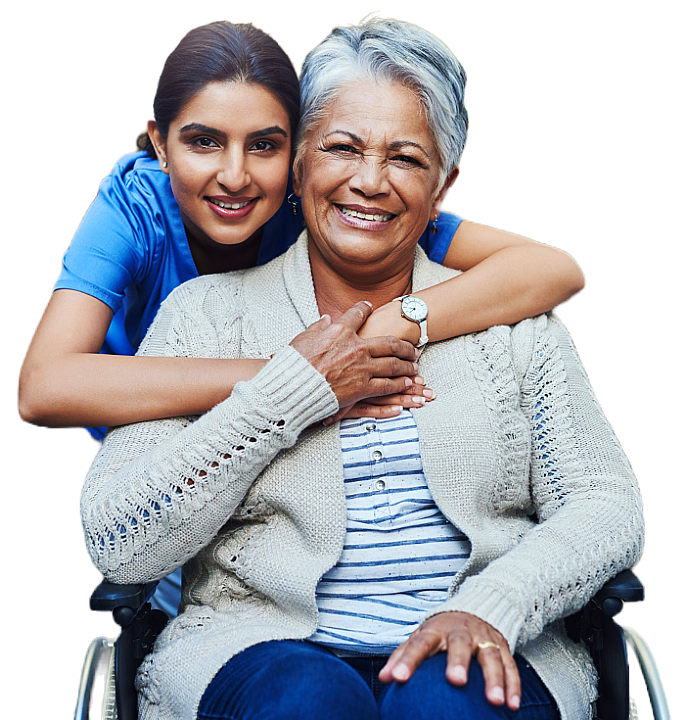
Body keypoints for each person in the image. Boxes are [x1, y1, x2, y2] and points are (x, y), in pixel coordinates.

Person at [79, 17, 643, 720]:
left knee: (450, 697)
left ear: (443, 186)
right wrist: (290, 393)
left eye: (406, 158)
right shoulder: (204, 315)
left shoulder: (517, 328)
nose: (369, 181)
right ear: (301, 163)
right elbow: (118, 542)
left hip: (490, 645)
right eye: (341, 147)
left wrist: (494, 606)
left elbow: (605, 504)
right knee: (306, 699)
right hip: (256, 646)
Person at [18, 19, 585, 444]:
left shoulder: (330, 204)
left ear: (297, 155)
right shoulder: (135, 205)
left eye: (264, 144)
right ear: (161, 144)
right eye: (203, 141)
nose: (235, 176)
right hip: (166, 459)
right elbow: (44, 387)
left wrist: (392, 323)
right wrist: (299, 374)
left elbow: (554, 269)